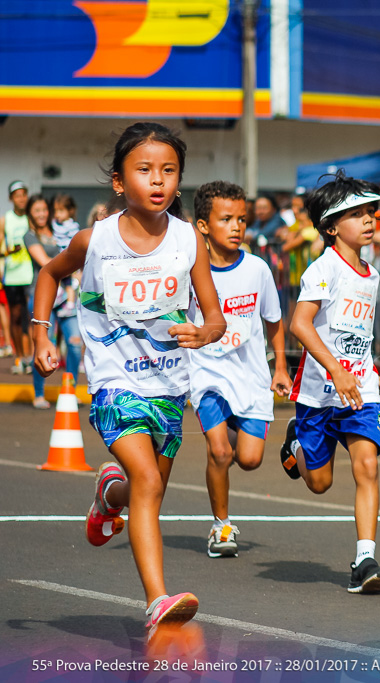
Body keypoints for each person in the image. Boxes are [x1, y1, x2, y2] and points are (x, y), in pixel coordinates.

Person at [32, 122, 226, 635]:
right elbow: (49, 273)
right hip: (114, 380)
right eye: (144, 171)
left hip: (169, 386)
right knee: (147, 482)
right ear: (119, 182)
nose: (157, 180)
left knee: (149, 488)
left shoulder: (188, 240)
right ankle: (157, 598)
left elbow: (214, 316)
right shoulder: (95, 241)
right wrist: (40, 334)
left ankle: (107, 495)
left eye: (168, 171)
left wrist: (203, 333)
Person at [279, 170, 380, 595]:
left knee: (367, 466)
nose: (369, 220)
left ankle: (365, 559)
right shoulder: (323, 269)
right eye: (357, 214)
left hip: (359, 389)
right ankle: (296, 445)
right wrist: (335, 369)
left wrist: (370, 371)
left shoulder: (372, 274)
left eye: (371, 212)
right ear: (331, 226)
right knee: (319, 483)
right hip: (318, 392)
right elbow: (300, 324)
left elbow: (359, 332)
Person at [189, 181, 292, 558]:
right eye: (226, 219)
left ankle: (231, 433)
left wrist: (280, 367)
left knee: (248, 460)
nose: (237, 227)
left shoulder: (257, 270)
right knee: (220, 453)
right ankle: (221, 526)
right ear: (203, 225)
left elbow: (274, 321)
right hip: (207, 375)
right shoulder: (189, 272)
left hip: (250, 377)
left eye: (242, 219)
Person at [24, 194, 82, 409]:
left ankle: (70, 390)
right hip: (43, 298)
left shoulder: (61, 230)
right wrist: (73, 266)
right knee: (42, 345)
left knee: (75, 344)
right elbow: (47, 263)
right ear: (31, 213)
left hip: (66, 297)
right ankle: (39, 393)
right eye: (36, 210)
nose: (41, 214)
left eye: (43, 210)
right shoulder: (30, 236)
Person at [2, 180, 34, 374]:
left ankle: (30, 357)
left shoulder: (31, 218)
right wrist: (7, 250)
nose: (21, 198)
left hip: (30, 274)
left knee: (30, 316)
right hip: (12, 275)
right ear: (11, 198)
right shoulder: (5, 220)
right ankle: (19, 357)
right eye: (17, 195)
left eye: (24, 194)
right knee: (14, 317)